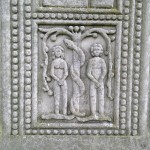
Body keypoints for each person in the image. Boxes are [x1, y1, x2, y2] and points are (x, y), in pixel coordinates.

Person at [87, 43, 107, 118]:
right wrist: (95, 81)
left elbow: (104, 71)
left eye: (98, 50)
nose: (96, 51)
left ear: (101, 51)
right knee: (92, 97)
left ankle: (101, 113)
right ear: (92, 51)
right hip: (93, 81)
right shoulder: (91, 61)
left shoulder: (102, 61)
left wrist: (100, 80)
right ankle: (93, 114)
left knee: (101, 97)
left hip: (100, 81)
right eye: (95, 50)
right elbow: (88, 73)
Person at [50, 45, 68, 115]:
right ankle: (57, 113)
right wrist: (58, 80)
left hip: (63, 81)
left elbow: (66, 73)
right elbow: (52, 73)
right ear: (54, 53)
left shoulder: (64, 62)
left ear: (61, 53)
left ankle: (64, 113)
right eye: (56, 51)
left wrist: (62, 80)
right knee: (56, 97)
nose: (57, 53)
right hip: (56, 81)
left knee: (64, 97)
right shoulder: (53, 62)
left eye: (59, 51)